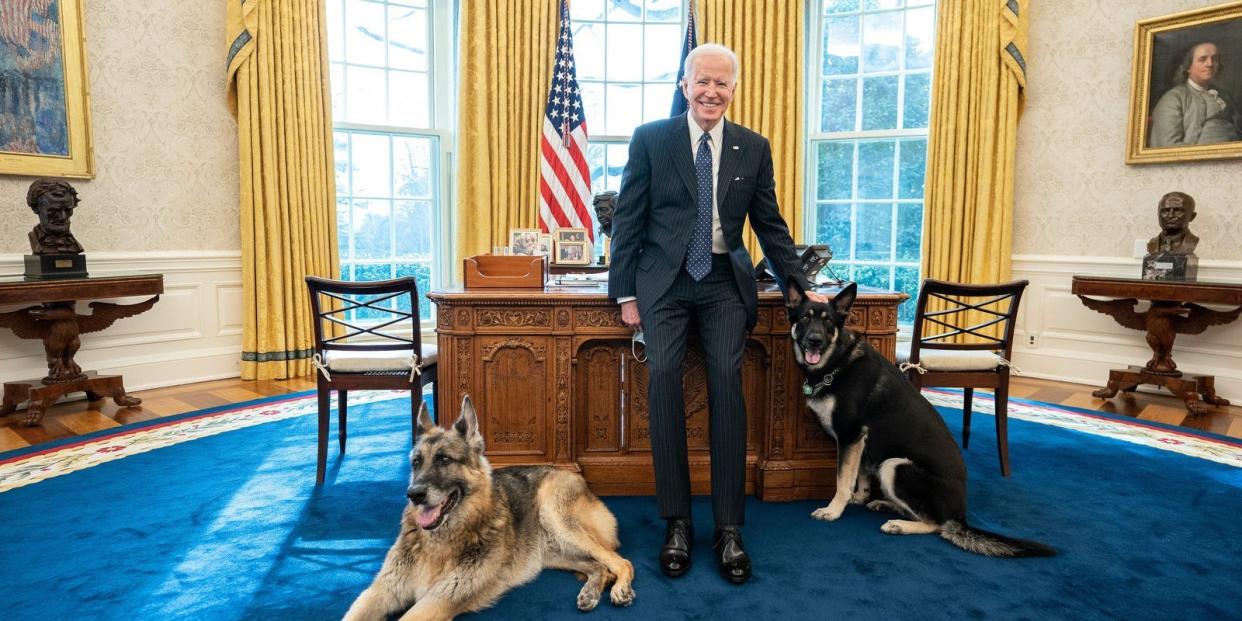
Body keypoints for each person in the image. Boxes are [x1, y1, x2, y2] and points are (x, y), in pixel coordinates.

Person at [607, 42, 827, 585]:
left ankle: (729, 529)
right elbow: (629, 221)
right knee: (662, 379)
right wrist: (625, 294)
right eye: (701, 81)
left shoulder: (752, 148)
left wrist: (800, 283)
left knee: (727, 380)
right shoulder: (652, 139)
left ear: (733, 90)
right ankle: (677, 522)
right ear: (685, 85)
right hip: (664, 284)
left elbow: (769, 226)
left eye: (721, 83)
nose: (711, 91)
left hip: (726, 284)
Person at [1149, 41, 1241, 147]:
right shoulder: (1173, 99)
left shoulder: (1225, 95)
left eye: (1215, 59)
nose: (1210, 64)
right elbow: (1168, 145)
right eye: (1202, 59)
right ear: (1188, 66)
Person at [26, 178, 84, 255]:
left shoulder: (74, 244)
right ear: (36, 208)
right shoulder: (34, 239)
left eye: (68, 210)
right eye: (54, 211)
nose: (62, 217)